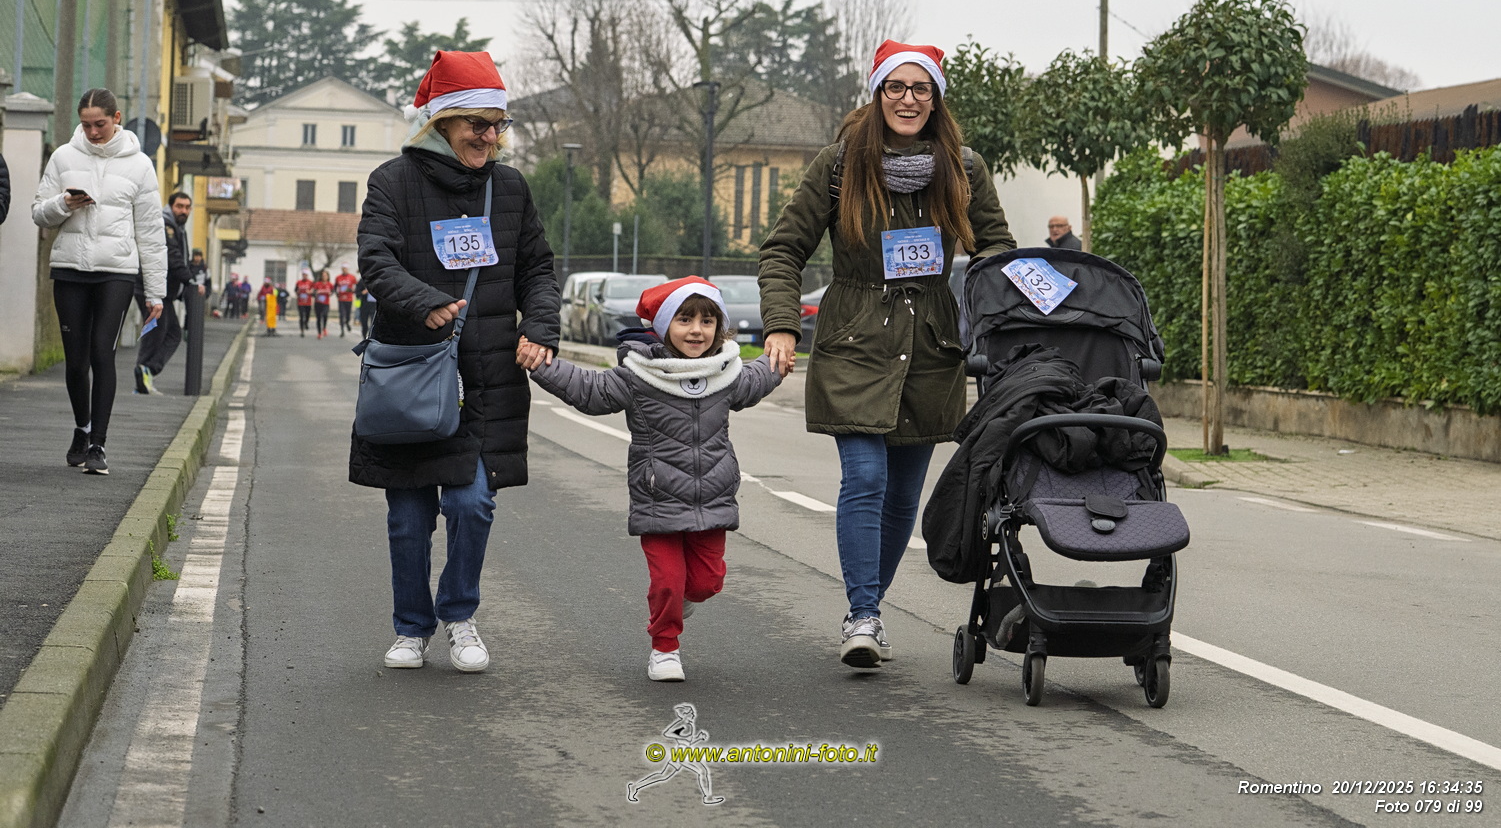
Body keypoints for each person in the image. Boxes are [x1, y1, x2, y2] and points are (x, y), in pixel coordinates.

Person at [759, 40, 1016, 667]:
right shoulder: (840, 164)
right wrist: (783, 325)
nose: (907, 99)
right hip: (855, 337)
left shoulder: (964, 168)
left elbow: (996, 250)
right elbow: (783, 248)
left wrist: (1021, 309)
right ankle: (863, 614)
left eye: (920, 88)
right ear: (878, 95)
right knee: (867, 477)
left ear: (935, 99)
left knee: (903, 495)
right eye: (895, 87)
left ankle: (869, 609)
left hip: (930, 345)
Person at [351, 49, 560, 674]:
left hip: (486, 377)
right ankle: (411, 628)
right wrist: (426, 302)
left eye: (498, 126)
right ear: (442, 122)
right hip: (414, 375)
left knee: (473, 504)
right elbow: (376, 260)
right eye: (477, 125)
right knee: (409, 518)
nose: (490, 138)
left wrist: (541, 325)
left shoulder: (510, 188)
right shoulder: (392, 182)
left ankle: (459, 614)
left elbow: (537, 269)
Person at [519, 277, 784, 682]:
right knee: (667, 581)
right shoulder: (639, 375)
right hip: (658, 499)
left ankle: (680, 600)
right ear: (663, 325)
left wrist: (780, 357)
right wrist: (541, 364)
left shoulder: (725, 372)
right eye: (684, 319)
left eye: (707, 321)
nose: (696, 330)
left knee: (707, 583)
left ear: (719, 327)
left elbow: (757, 379)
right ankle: (664, 648)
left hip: (712, 500)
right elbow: (589, 390)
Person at [31, 88, 167, 475]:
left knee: (101, 354)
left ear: (117, 118)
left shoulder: (140, 165)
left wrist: (156, 292)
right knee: (76, 362)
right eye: (86, 124)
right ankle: (82, 427)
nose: (92, 132)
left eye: (100, 124)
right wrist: (63, 204)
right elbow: (38, 213)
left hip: (116, 271)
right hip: (70, 269)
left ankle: (98, 445)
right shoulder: (63, 156)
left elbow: (151, 233)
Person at [133, 191, 196, 394]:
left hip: (163, 291)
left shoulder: (178, 228)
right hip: (151, 288)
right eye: (179, 206)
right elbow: (173, 256)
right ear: (171, 206)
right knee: (157, 331)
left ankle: (147, 371)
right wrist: (189, 280)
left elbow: (182, 257)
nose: (183, 211)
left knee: (172, 333)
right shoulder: (165, 225)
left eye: (187, 207)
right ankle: (143, 371)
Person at [334, 263, 358, 337]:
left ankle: (347, 322)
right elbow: (335, 287)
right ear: (342, 269)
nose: (344, 270)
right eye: (343, 269)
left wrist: (352, 290)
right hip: (341, 299)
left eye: (345, 268)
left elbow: (356, 287)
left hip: (349, 299)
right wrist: (336, 293)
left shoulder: (352, 277)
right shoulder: (338, 277)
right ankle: (342, 331)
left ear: (347, 269)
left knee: (348, 314)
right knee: (341, 315)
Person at [312, 269, 334, 338]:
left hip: (326, 303)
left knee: (325, 315)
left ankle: (324, 328)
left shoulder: (330, 284)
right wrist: (316, 292)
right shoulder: (317, 284)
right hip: (318, 303)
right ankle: (319, 333)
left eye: (325, 275)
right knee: (318, 318)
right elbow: (313, 293)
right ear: (321, 276)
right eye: (323, 276)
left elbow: (332, 291)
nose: (324, 277)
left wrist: (330, 293)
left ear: (328, 276)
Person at [293, 268, 315, 337]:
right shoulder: (298, 282)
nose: (304, 276)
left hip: (308, 302)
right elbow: (295, 290)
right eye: (303, 274)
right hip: (300, 302)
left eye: (306, 275)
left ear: (307, 275)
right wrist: (298, 292)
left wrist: (310, 292)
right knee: (301, 316)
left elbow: (313, 291)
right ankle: (302, 331)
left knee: (307, 315)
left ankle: (306, 323)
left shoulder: (310, 282)